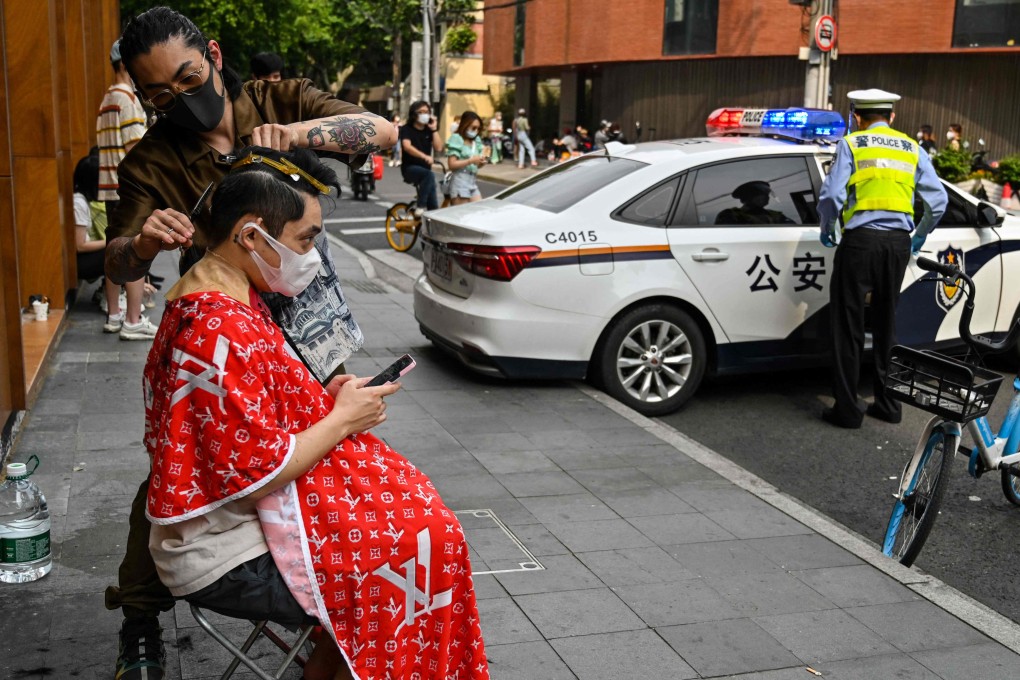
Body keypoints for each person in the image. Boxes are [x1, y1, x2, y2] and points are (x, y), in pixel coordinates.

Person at [102, 8, 395, 680]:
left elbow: (380, 129)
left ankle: (312, 563)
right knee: (185, 464)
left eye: (189, 77)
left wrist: (295, 132)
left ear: (213, 53)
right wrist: (144, 244)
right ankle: (140, 617)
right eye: (160, 95)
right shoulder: (153, 158)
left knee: (333, 428)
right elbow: (115, 262)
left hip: (304, 313)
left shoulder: (272, 96)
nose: (181, 99)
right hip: (227, 329)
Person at [144, 146, 488, 680]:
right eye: (306, 240)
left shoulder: (230, 296)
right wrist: (343, 419)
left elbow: (254, 410)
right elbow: (256, 473)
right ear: (251, 235)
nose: (312, 255)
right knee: (423, 546)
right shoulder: (216, 330)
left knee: (428, 528)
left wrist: (327, 397)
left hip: (246, 517)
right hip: (224, 550)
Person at [817, 88, 948, 429]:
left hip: (860, 241)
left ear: (857, 117)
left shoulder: (852, 144)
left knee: (848, 325)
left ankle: (847, 411)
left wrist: (826, 226)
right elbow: (938, 202)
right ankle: (889, 405)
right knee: (887, 322)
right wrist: (918, 234)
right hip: (898, 243)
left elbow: (831, 195)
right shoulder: (912, 148)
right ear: (892, 117)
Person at [97, 39, 156, 338]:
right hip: (129, 190)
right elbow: (136, 150)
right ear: (124, 64)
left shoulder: (107, 98)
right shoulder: (128, 100)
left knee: (114, 249)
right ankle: (133, 320)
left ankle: (114, 314)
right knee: (135, 251)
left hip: (108, 187)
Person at [398, 100, 444, 212]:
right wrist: (424, 156)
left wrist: (434, 129)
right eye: (421, 112)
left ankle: (430, 223)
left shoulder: (429, 130)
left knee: (433, 206)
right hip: (409, 169)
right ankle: (420, 206)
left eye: (427, 112)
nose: (425, 115)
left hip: (425, 170)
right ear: (414, 114)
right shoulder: (406, 129)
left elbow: (438, 148)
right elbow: (407, 146)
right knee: (429, 175)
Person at [445, 110, 488, 205]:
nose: (476, 131)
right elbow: (451, 164)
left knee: (478, 213)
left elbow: (476, 165)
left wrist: (481, 163)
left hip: (473, 181)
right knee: (461, 217)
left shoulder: (476, 141)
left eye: (478, 129)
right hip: (460, 182)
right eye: (473, 128)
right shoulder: (457, 138)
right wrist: (471, 160)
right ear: (465, 125)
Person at [715, 181, 794, 225]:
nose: (767, 197)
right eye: (761, 194)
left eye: (767, 194)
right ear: (748, 197)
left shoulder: (776, 215)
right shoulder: (731, 215)